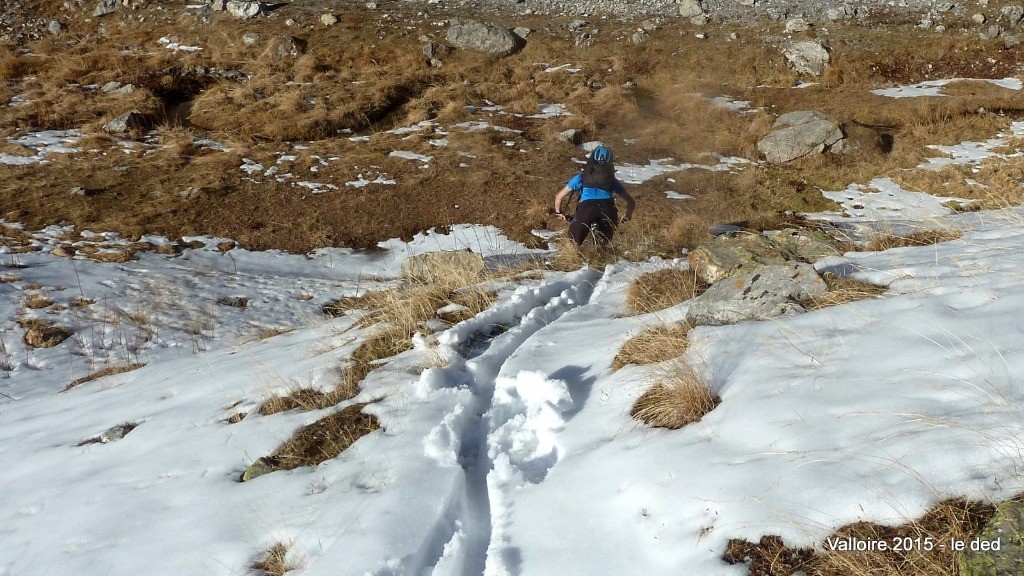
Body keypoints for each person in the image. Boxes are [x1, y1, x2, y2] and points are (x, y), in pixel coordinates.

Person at [553, 145, 635, 245]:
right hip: (608, 210)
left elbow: (559, 197)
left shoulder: (580, 178)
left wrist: (558, 213)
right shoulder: (613, 181)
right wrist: (627, 216)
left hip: (587, 208)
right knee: (605, 244)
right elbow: (631, 202)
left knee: (574, 243)